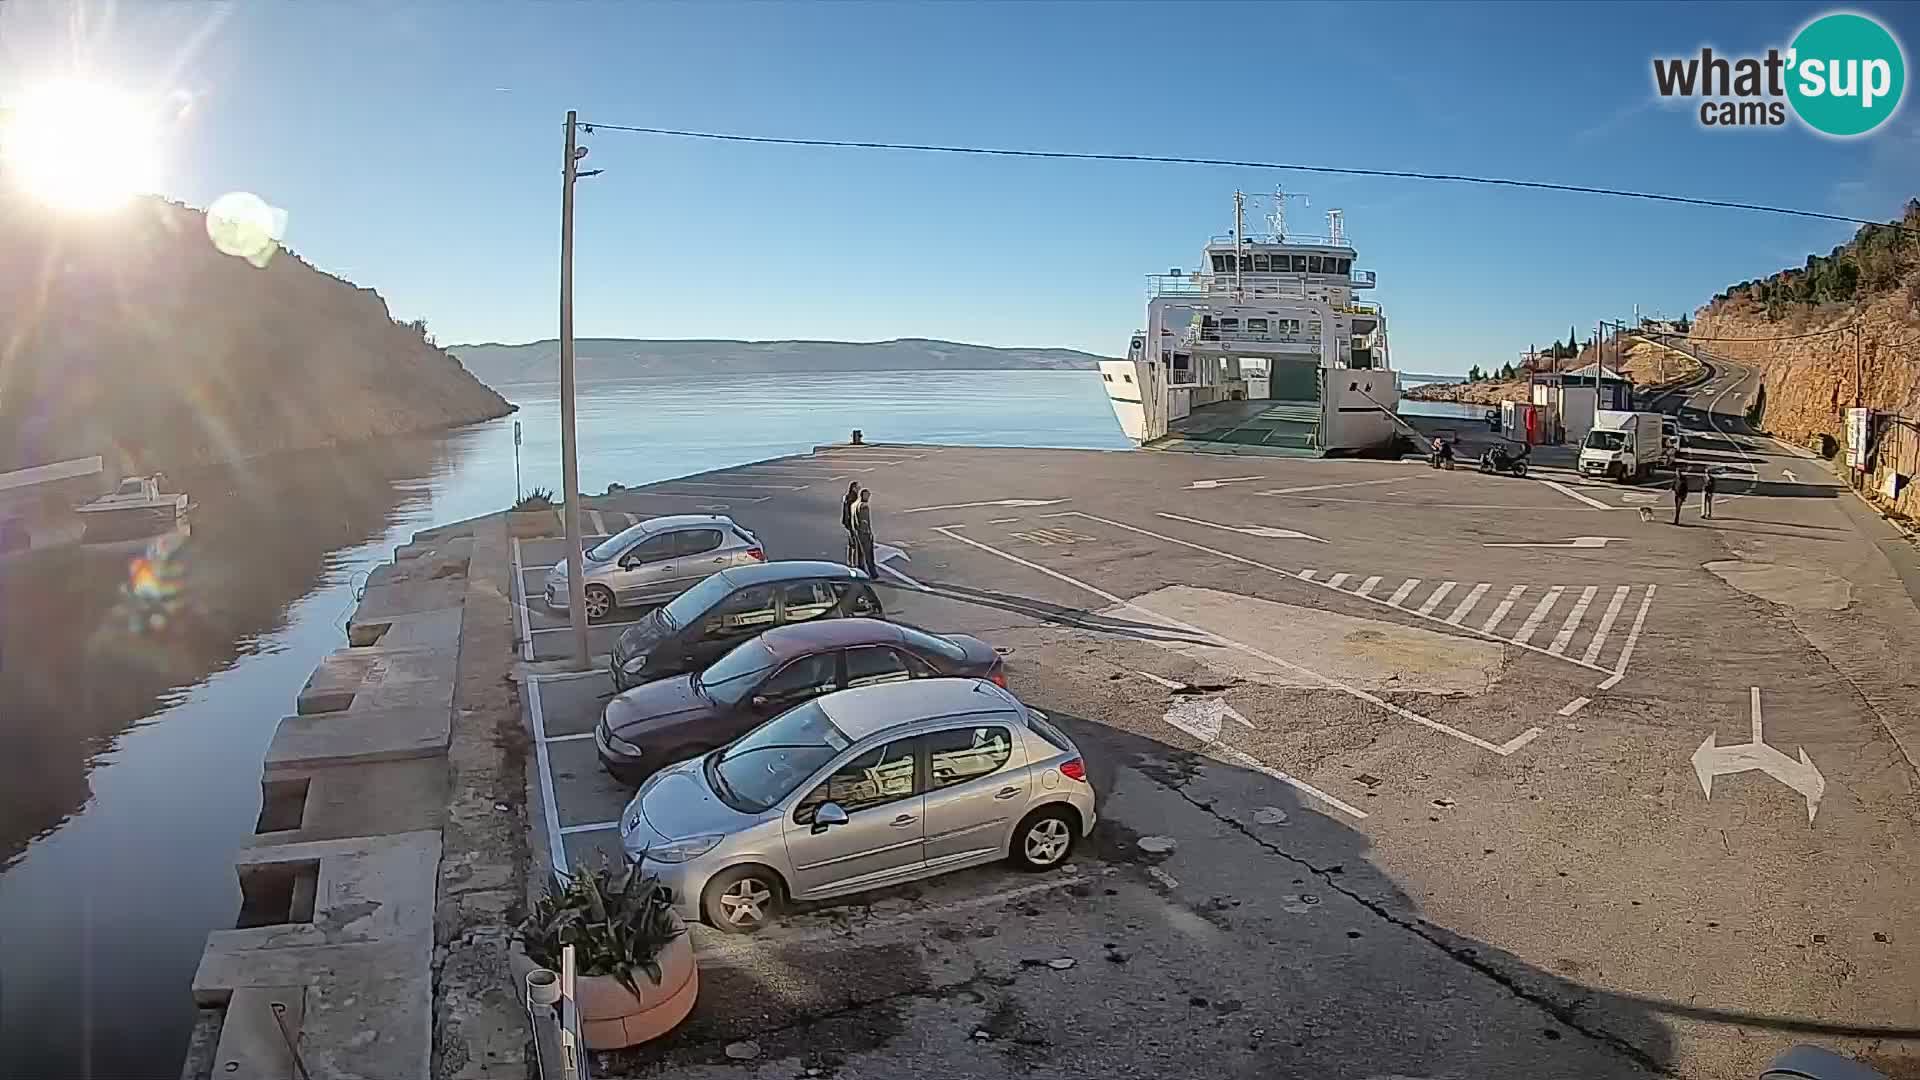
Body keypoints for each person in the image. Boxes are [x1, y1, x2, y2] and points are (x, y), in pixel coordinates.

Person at [851, 487, 877, 577]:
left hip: (857, 533)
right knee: (868, 554)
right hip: (864, 534)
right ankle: (873, 574)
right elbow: (864, 521)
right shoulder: (864, 506)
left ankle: (860, 570)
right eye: (867, 496)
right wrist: (869, 533)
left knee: (860, 554)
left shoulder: (854, 505)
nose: (869, 498)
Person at [841, 481, 860, 565]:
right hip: (851, 523)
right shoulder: (853, 498)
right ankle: (852, 562)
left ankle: (850, 561)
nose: (859, 488)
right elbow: (851, 512)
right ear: (853, 488)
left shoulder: (847, 497)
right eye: (857, 487)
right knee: (854, 543)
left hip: (848, 523)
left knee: (851, 542)